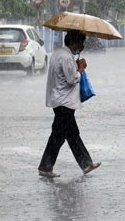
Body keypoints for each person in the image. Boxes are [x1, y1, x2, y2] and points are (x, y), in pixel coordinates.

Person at [38, 30, 101, 178]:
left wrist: (76, 64)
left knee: (71, 134)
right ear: (73, 42)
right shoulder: (66, 57)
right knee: (59, 136)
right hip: (64, 102)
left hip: (59, 100)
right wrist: (80, 68)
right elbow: (71, 79)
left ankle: (85, 164)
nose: (82, 46)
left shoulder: (58, 54)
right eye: (81, 43)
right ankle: (45, 167)